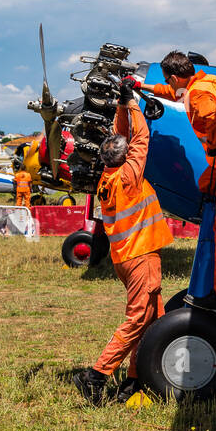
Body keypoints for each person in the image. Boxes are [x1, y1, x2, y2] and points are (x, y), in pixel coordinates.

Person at [136, 52, 216, 313]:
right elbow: (173, 93)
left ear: (174, 77)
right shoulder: (202, 81)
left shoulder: (198, 94)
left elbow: (210, 113)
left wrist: (215, 141)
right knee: (205, 185)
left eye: (167, 81)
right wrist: (142, 86)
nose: (169, 85)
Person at [72, 80, 174, 405]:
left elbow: (124, 140)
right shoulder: (129, 177)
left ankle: (135, 381)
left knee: (155, 320)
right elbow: (141, 137)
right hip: (140, 255)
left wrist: (120, 103)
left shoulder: (110, 176)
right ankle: (96, 376)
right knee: (137, 320)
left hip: (127, 257)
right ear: (124, 156)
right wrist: (131, 103)